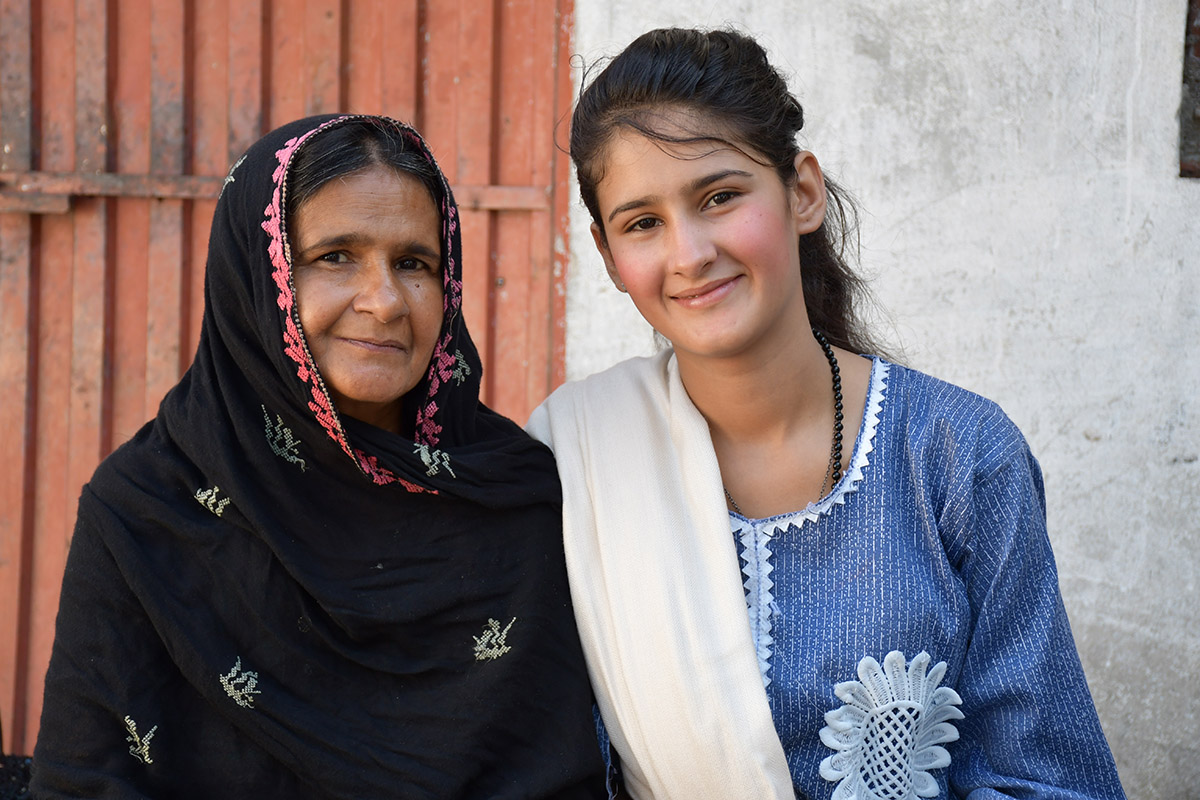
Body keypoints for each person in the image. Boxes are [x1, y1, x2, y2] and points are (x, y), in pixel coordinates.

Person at [526, 28, 1126, 800]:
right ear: (610, 258)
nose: (690, 252)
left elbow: (1046, 778)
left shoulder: (958, 457)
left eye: (720, 196)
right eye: (643, 222)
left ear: (801, 192)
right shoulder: (575, 465)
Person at [31, 115, 607, 799]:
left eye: (414, 263)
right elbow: (86, 781)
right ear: (257, 274)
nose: (385, 301)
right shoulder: (147, 509)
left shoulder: (515, 496)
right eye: (336, 255)